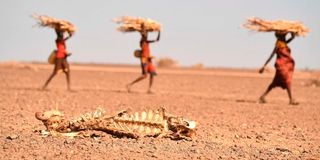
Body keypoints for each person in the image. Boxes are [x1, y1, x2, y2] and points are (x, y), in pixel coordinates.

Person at [259, 31, 298, 105]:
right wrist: (264, 66)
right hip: (281, 66)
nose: (285, 36)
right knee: (287, 81)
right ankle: (291, 99)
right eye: (284, 35)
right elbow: (272, 55)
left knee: (275, 82)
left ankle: (262, 96)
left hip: (286, 65)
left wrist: (292, 35)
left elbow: (289, 40)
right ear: (280, 36)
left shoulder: (283, 42)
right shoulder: (278, 44)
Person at [126, 24, 160, 93]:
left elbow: (157, 40)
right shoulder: (142, 42)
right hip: (144, 60)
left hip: (149, 60)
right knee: (144, 75)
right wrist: (143, 29)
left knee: (152, 74)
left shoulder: (147, 41)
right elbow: (144, 34)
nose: (145, 35)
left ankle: (149, 89)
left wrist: (159, 31)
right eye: (144, 34)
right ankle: (130, 84)